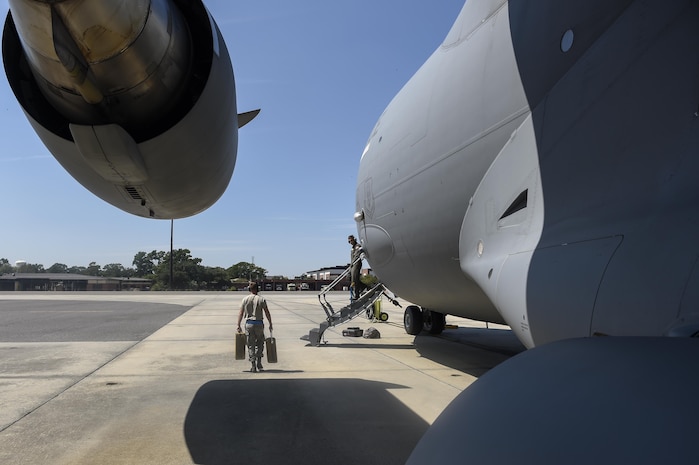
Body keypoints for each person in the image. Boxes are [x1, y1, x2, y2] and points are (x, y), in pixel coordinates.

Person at [236, 282, 273, 372]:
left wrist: (238, 324)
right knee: (260, 343)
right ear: (258, 289)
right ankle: (259, 362)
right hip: (259, 323)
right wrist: (270, 323)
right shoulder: (261, 299)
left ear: (250, 290)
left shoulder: (245, 299)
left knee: (250, 345)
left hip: (249, 323)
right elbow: (267, 312)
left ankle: (253, 364)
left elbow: (241, 313)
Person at [348, 235, 366, 301]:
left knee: (355, 279)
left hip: (357, 264)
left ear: (354, 239)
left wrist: (352, 263)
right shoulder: (353, 248)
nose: (350, 242)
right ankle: (363, 286)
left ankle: (357, 294)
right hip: (353, 264)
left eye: (351, 240)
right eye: (349, 241)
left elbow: (357, 255)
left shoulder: (357, 246)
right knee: (351, 278)